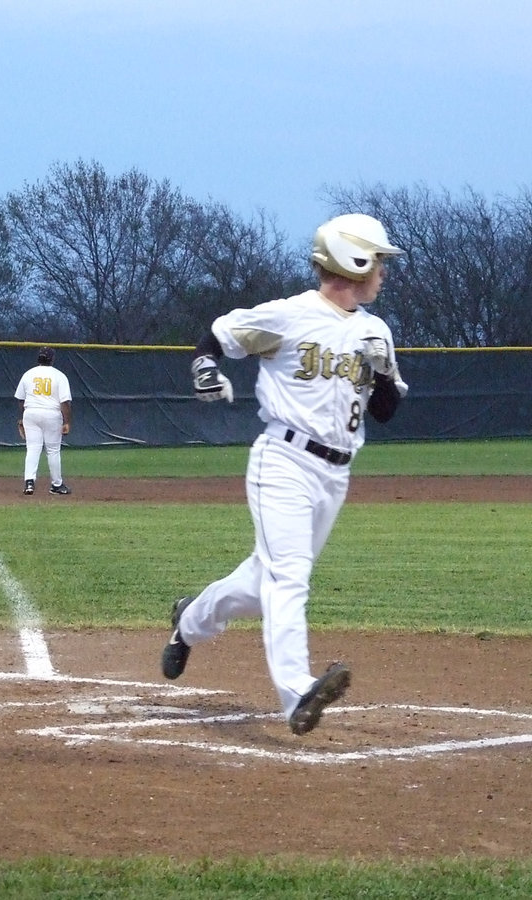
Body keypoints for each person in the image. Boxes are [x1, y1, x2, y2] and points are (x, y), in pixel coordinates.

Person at [160, 213, 408, 736]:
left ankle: (190, 620)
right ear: (353, 261)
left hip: (336, 475)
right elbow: (216, 337)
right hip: (284, 460)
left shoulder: (375, 330)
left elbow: (385, 411)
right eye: (378, 261)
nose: (383, 272)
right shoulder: (290, 316)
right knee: (289, 576)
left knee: (261, 583)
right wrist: (205, 369)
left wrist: (383, 372)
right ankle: (297, 693)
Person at [14, 346, 73, 495]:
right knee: (53, 450)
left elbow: (21, 399)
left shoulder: (28, 374)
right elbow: (65, 402)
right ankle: (57, 485)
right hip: (52, 414)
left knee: (33, 448)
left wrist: (22, 418)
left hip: (31, 413)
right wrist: (67, 422)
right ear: (52, 359)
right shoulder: (59, 376)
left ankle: (29, 482)